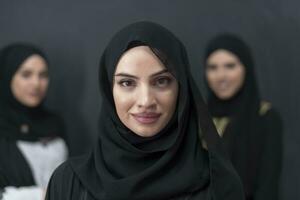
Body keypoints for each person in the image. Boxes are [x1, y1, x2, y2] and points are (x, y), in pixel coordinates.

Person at [46, 21, 244, 200]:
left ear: (182, 89)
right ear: (109, 90)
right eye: (127, 82)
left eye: (161, 81)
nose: (146, 100)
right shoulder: (68, 182)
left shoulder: (217, 185)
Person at [204, 34, 283, 200]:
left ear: (246, 68)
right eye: (213, 67)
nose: (221, 76)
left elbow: (267, 189)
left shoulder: (265, 118)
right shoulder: (198, 117)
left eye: (230, 66)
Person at [0, 43, 68, 199]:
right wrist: (39, 195)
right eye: (26, 74)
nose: (36, 83)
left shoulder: (54, 123)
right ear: (7, 76)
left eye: (43, 75)